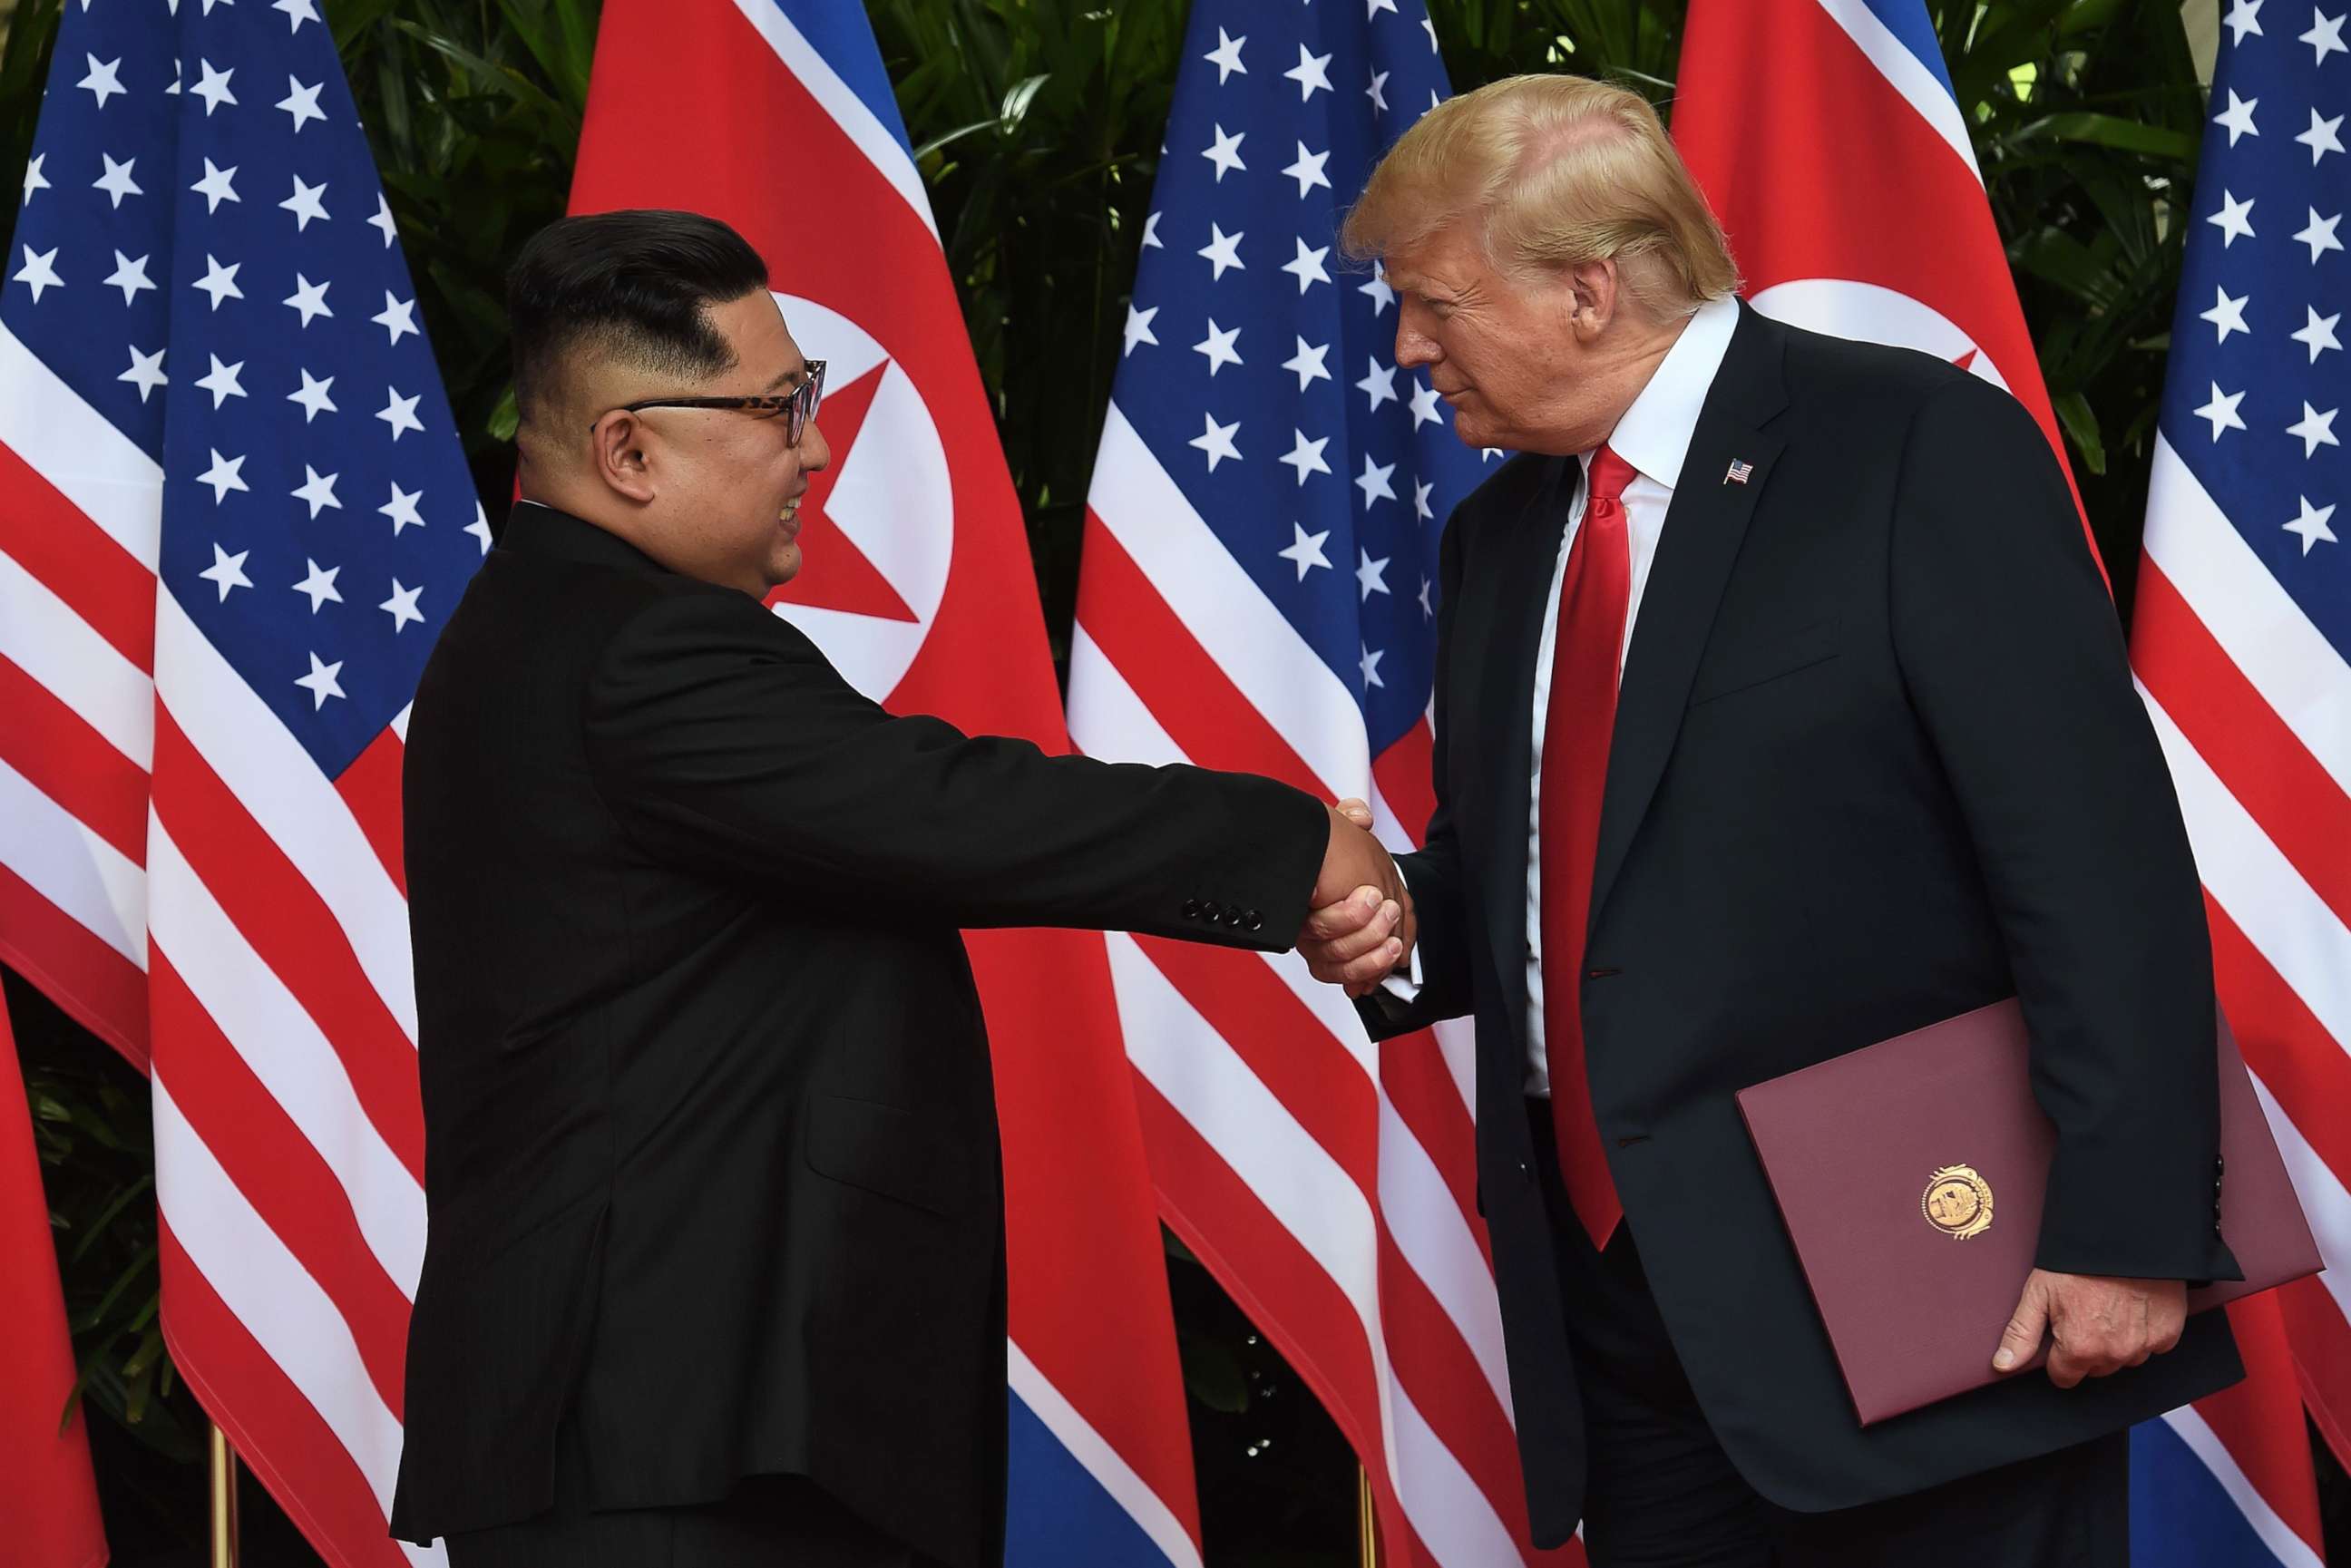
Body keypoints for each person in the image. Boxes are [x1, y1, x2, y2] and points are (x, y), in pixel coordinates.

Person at [1300, 75, 2240, 1568]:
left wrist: (2126, 1229)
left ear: (1588, 292)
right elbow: (1551, 876)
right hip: (1626, 1325)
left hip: (1933, 1289)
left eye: (1431, 301)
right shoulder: (1497, 538)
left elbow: (2094, 861)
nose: (1407, 344)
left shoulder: (1913, 447)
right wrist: (1403, 918)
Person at [387, 209, 1410, 1568]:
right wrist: (1296, 848)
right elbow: (956, 811)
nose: (816, 444)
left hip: (675, 1423)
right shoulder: (632, 650)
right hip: (667, 1434)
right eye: (775, 404)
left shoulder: (560, 626)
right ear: (628, 448)